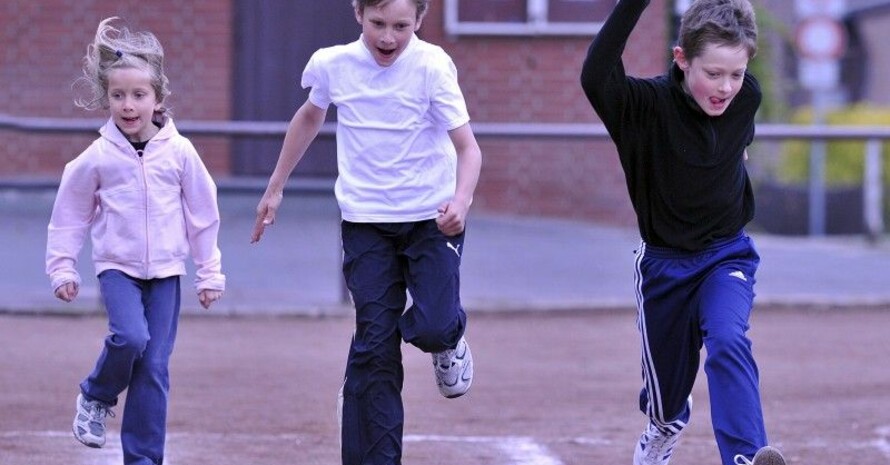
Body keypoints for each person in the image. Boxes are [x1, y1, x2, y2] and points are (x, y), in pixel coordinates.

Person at [250, 0, 481, 463]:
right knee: (374, 348)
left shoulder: (433, 66)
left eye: (401, 26)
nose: (388, 38)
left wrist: (461, 201)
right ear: (358, 14)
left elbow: (468, 148)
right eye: (378, 23)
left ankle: (449, 339)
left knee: (434, 325)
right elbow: (310, 117)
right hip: (366, 224)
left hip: (430, 220)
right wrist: (274, 188)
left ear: (420, 19)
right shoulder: (333, 65)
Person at [580, 1, 786, 465]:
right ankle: (663, 424)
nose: (726, 88)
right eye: (713, 74)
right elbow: (595, 73)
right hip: (664, 267)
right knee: (666, 402)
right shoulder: (642, 107)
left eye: (736, 74)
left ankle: (746, 456)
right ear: (681, 59)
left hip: (726, 256)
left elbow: (734, 144)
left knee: (729, 339)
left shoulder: (745, 98)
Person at [45, 17, 225, 465]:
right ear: (106, 98)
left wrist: (209, 271)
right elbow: (69, 215)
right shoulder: (97, 158)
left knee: (154, 368)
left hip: (167, 274)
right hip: (118, 269)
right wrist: (62, 266)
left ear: (158, 98)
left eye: (139, 95)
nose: (128, 105)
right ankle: (96, 393)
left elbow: (203, 214)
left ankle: (143, 460)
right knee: (129, 338)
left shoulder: (180, 153)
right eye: (118, 95)